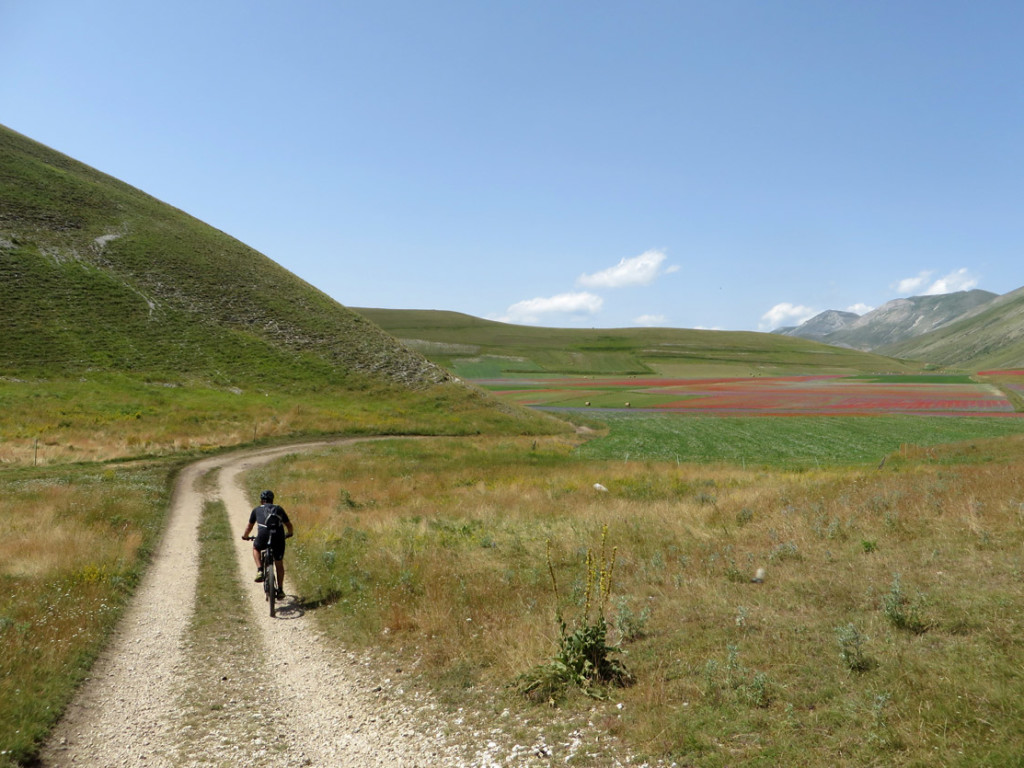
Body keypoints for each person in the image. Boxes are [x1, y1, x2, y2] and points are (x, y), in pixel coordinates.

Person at [241, 489, 294, 599]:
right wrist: (289, 533)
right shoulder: (278, 509)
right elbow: (289, 525)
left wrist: (245, 536)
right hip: (278, 537)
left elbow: (249, 527)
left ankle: (260, 570)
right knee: (279, 563)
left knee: (256, 548)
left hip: (263, 536)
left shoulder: (256, 510)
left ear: (261, 501)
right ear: (272, 500)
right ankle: (280, 589)